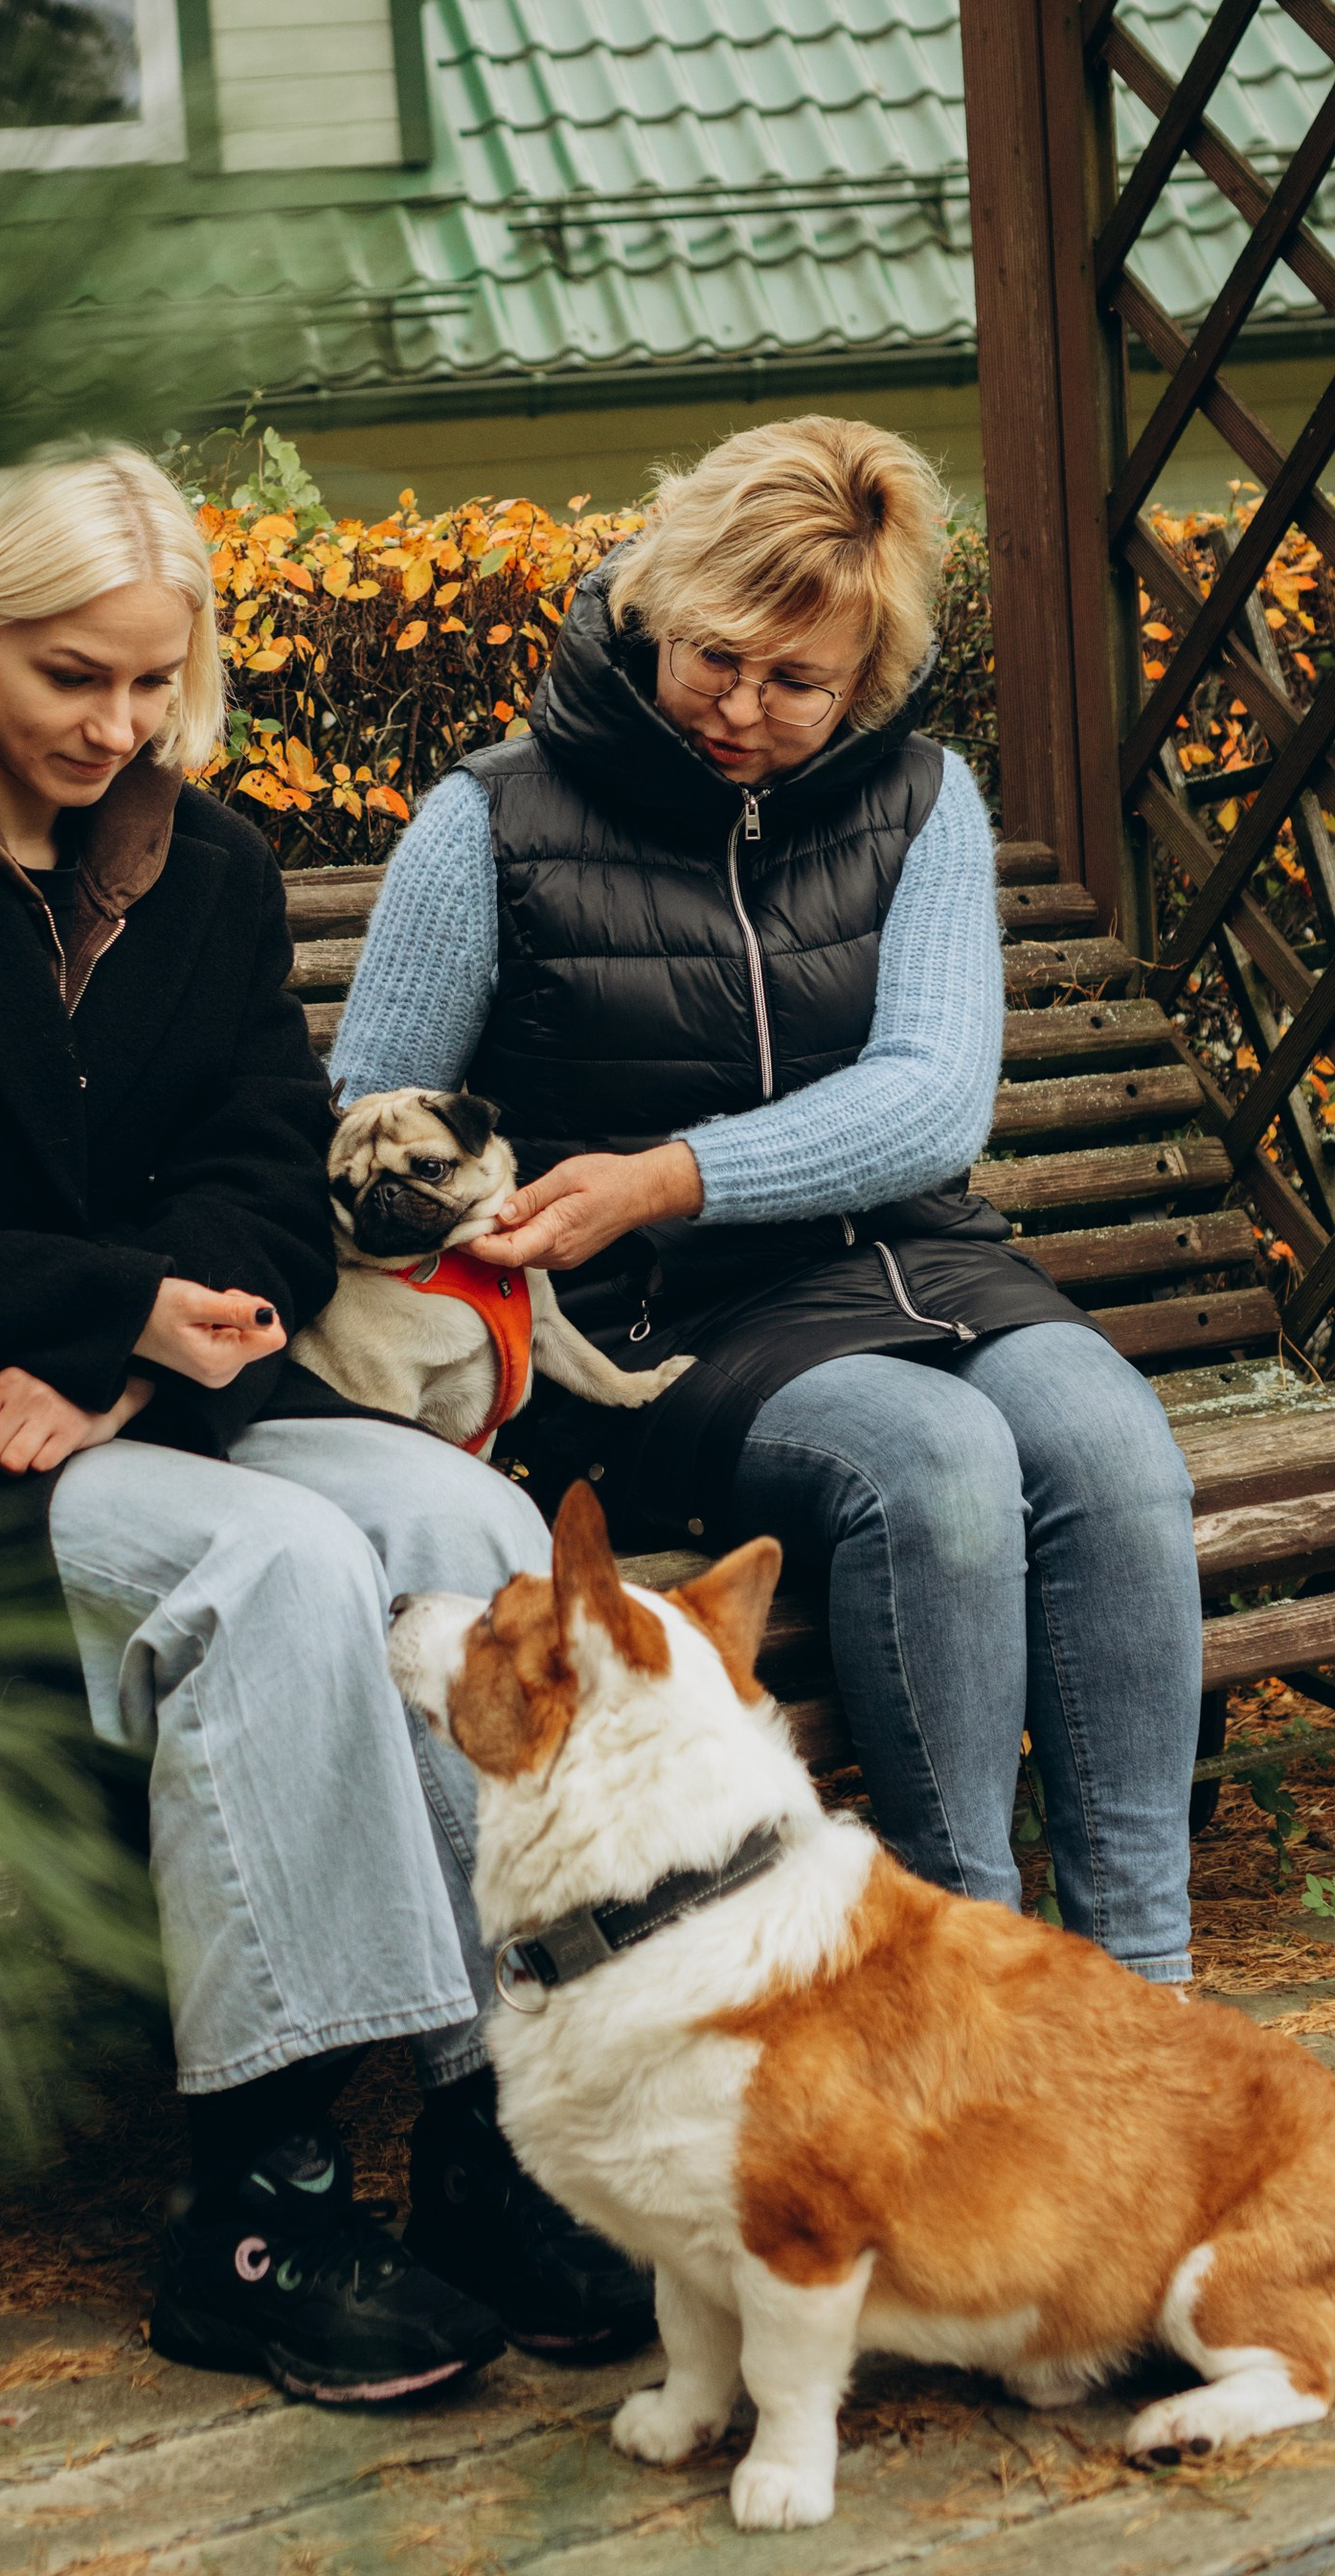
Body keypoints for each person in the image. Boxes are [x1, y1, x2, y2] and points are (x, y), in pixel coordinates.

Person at [0, 447, 652, 2407]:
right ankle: (261, 2210)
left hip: (151, 1415)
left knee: (467, 1539)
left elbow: (262, 1173)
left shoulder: (190, 863)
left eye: (148, 679)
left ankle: (481, 2140)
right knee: (283, 1567)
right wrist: (84, 1304)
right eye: (66, 678)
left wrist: (137, 1351)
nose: (113, 725)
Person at [333, 417, 1202, 1987]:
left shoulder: (921, 803)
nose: (745, 708)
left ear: (865, 678)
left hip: (917, 1261)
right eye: (718, 657)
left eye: (799, 683)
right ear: (654, 605)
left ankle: (1146, 1987)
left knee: (1112, 1448)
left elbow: (936, 1096)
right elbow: (363, 1122)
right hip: (646, 1321)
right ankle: (966, 1972)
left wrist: (679, 1170)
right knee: (935, 1464)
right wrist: (497, 1249)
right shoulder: (494, 820)